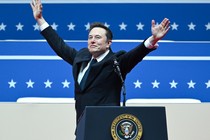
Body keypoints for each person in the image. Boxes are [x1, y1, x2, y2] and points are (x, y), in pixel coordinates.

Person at [30, 0, 170, 124]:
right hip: (82, 126)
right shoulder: (81, 57)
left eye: (97, 37)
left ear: (108, 43)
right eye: (90, 37)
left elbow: (135, 54)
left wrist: (153, 39)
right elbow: (59, 45)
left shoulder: (117, 61)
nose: (92, 40)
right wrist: (40, 19)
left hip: (107, 126)